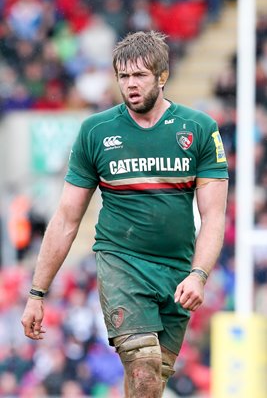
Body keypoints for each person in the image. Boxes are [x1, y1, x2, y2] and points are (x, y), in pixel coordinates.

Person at [21, 31, 228, 398]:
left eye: (140, 76)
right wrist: (37, 292)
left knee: (152, 383)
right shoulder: (96, 132)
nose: (130, 85)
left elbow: (213, 216)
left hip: (177, 272)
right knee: (144, 368)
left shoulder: (199, 129)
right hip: (122, 263)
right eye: (123, 77)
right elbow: (67, 219)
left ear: (162, 76)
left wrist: (198, 275)